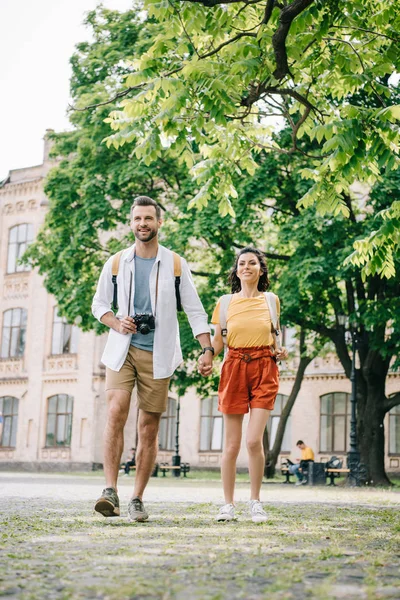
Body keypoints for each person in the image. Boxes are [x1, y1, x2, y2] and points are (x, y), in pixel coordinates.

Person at [92, 195, 213, 521]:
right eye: (137, 219)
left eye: (148, 218)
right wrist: (117, 322)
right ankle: (110, 491)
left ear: (159, 223)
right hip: (122, 349)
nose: (142, 224)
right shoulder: (117, 262)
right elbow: (99, 305)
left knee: (148, 427)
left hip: (158, 355)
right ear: (131, 223)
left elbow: (194, 310)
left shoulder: (175, 263)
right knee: (116, 411)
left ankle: (137, 498)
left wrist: (207, 349)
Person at [199, 247, 288, 522]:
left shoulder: (271, 301)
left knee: (253, 441)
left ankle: (256, 502)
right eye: (241, 263)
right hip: (234, 366)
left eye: (252, 263)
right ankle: (228, 505)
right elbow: (218, 340)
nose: (246, 267)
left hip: (264, 368)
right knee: (232, 445)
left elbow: (275, 337)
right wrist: (207, 356)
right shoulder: (225, 303)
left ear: (261, 269)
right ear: (236, 270)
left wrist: (281, 351)